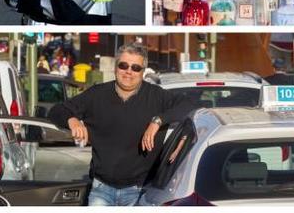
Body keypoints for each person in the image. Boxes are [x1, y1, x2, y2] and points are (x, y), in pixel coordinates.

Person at [47, 43, 194, 206]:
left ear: (143, 72)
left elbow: (188, 105)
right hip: (101, 189)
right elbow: (56, 111)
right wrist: (72, 120)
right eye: (123, 65)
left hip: (140, 191)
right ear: (116, 67)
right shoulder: (97, 94)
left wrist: (157, 121)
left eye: (136, 67)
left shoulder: (156, 96)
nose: (129, 71)